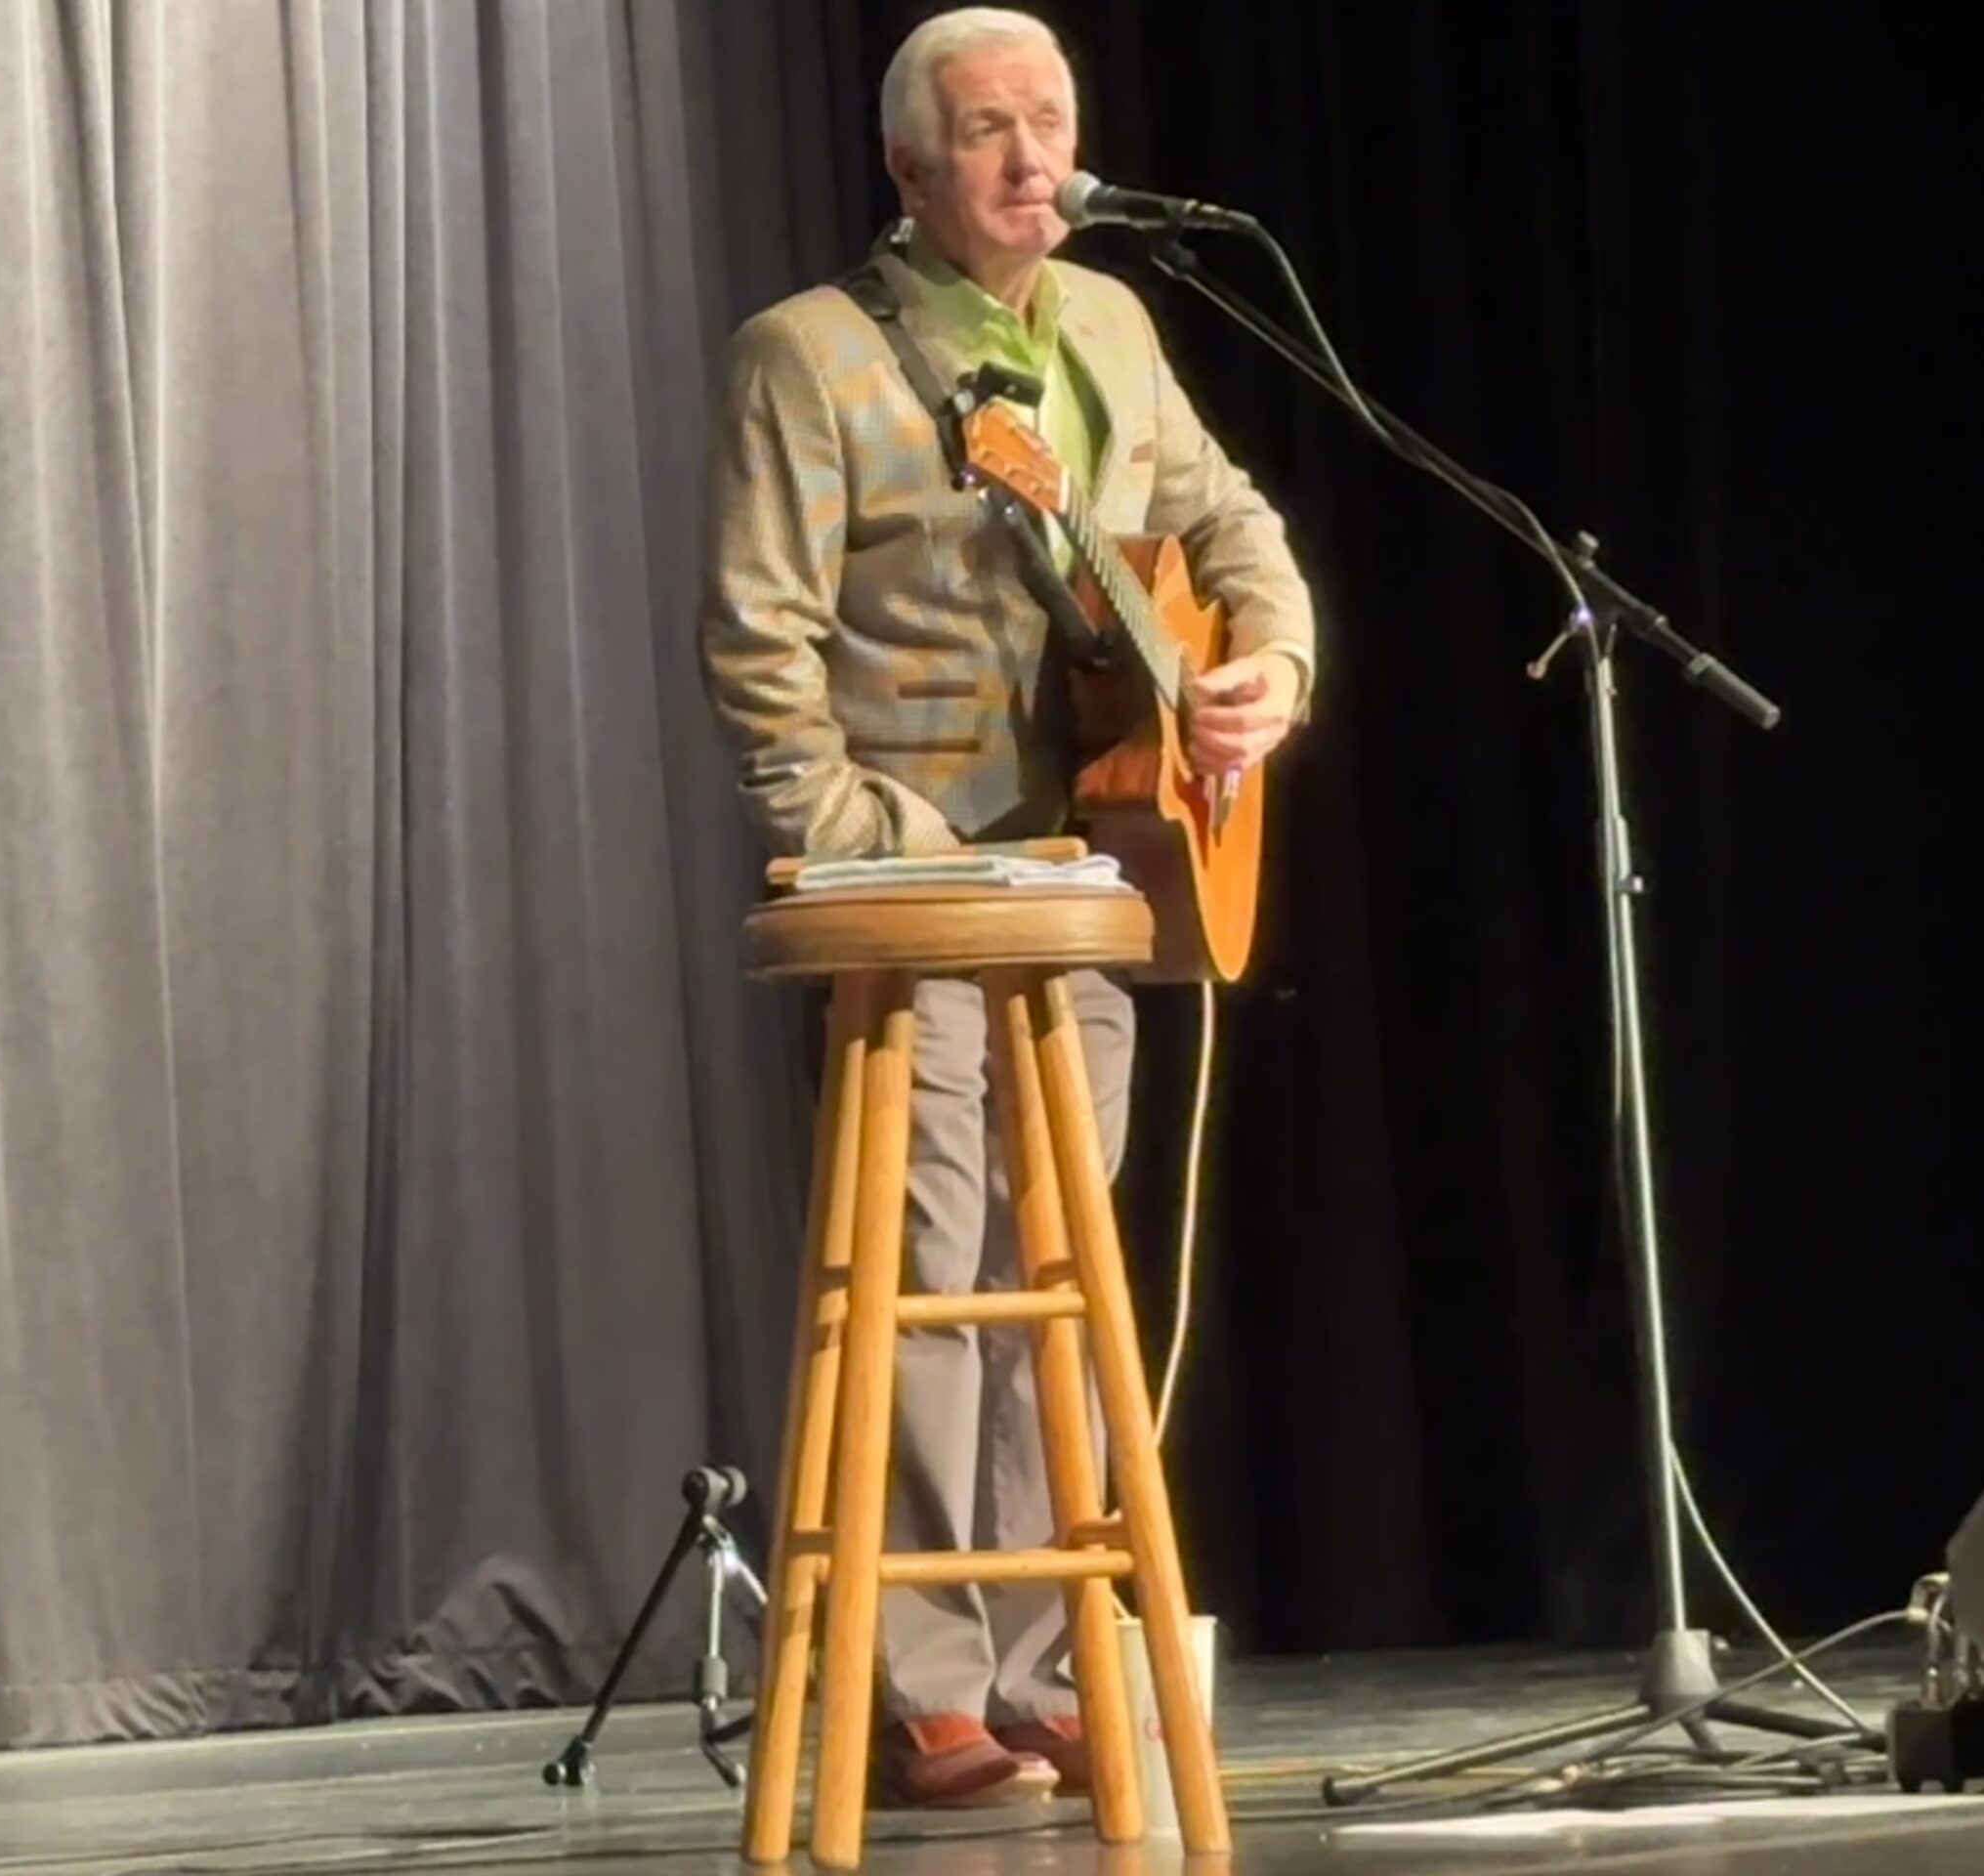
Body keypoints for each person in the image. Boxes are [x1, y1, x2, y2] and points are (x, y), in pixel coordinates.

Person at [697, 5, 1317, 1811]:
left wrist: (1268, 668)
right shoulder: (807, 359)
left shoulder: (1113, 328)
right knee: (932, 1260)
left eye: (1051, 120)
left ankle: (1047, 1662)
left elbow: (1233, 529)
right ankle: (919, 1688)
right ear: (909, 168)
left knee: (1055, 1264)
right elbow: (759, 638)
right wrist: (843, 840)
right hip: (909, 876)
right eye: (989, 130)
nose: (1034, 155)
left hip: (1085, 875)